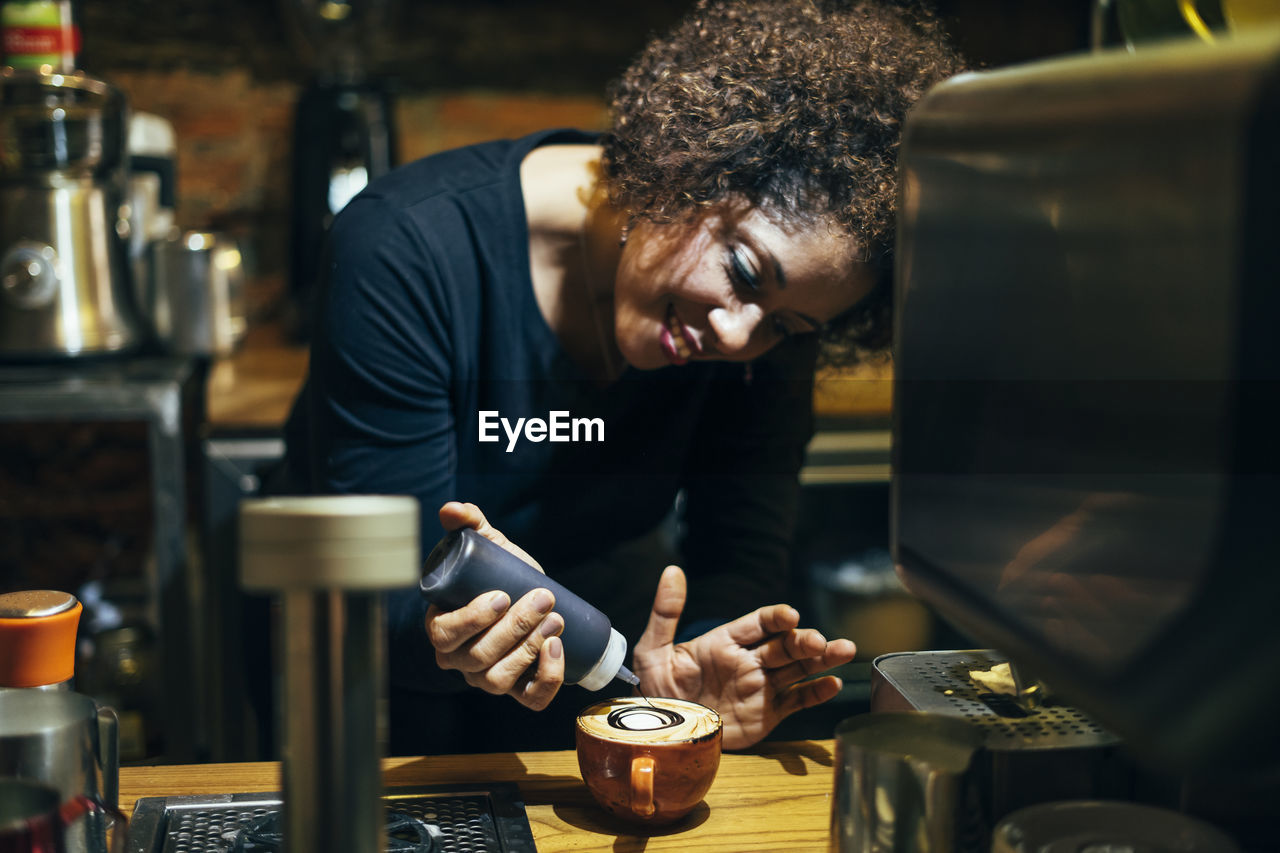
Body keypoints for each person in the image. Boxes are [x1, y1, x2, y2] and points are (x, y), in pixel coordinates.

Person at [278, 0, 964, 755]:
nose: (739, 337)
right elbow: (377, 586)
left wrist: (702, 654)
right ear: (686, 163)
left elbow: (738, 547)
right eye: (741, 270)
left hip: (581, 655)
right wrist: (460, 633)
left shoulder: (774, 320)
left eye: (785, 326)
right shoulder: (408, 247)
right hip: (365, 679)